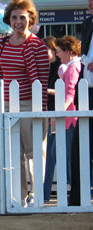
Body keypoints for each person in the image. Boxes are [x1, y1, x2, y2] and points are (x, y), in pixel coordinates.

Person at [0, 0, 49, 207]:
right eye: (14, 17)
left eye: (22, 17)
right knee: (13, 155)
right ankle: (19, 196)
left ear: (30, 19)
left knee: (34, 154)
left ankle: (36, 194)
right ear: (9, 19)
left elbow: (42, 81)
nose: (18, 22)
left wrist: (40, 111)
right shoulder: (2, 43)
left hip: (30, 105)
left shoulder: (38, 45)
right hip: (7, 106)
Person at [69, 0, 93, 206]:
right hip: (87, 93)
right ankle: (77, 198)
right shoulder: (87, 23)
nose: (90, 3)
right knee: (79, 146)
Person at [53, 36, 82, 197]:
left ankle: (76, 190)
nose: (57, 54)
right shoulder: (73, 66)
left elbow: (70, 93)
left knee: (69, 156)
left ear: (69, 51)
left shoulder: (72, 68)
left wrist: (59, 112)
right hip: (70, 117)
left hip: (70, 118)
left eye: (59, 51)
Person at [42, 36, 61, 202]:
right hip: (47, 112)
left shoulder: (60, 67)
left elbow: (63, 90)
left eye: (46, 49)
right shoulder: (44, 67)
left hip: (57, 113)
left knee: (54, 154)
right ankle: (45, 194)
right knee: (48, 155)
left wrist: (47, 91)